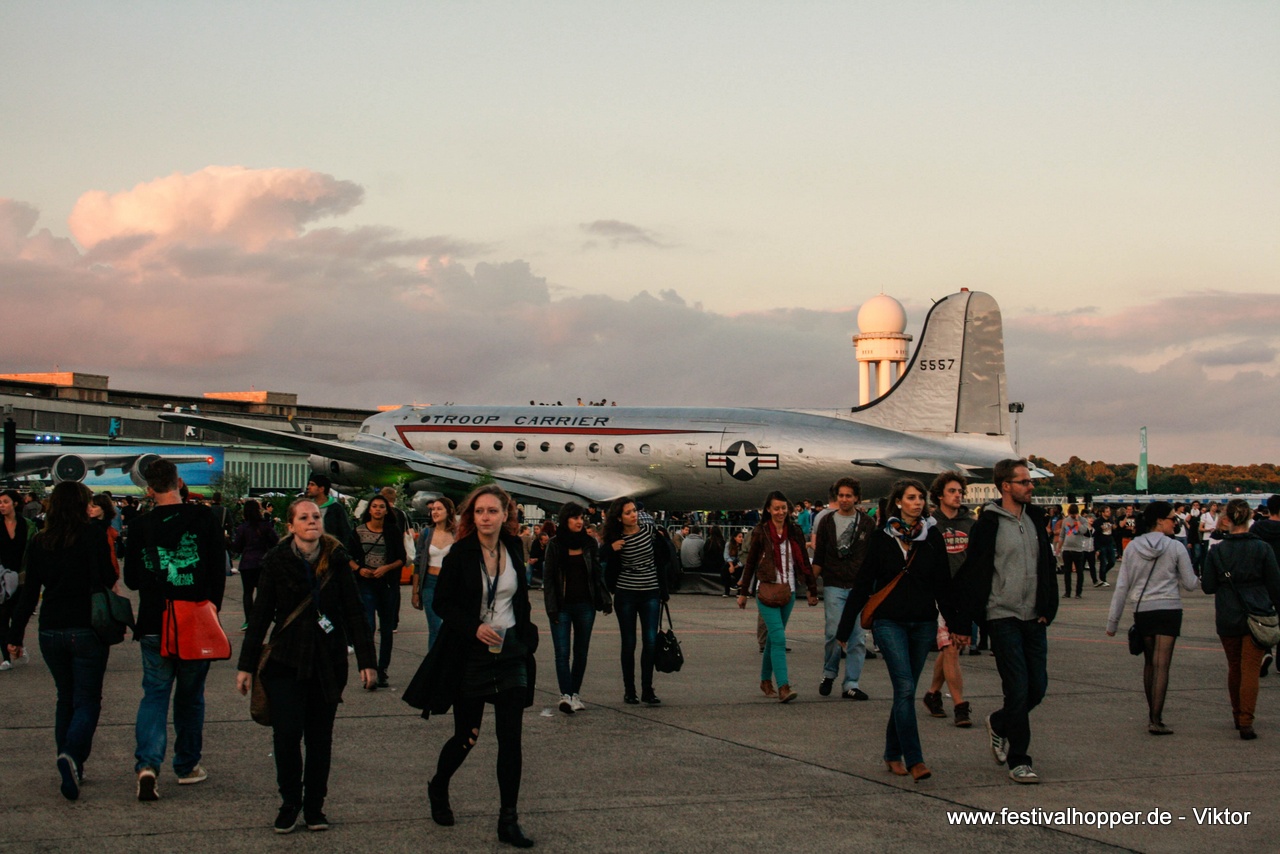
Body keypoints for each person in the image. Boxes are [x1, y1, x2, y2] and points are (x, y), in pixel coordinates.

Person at [403, 485, 538, 848]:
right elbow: (443, 603)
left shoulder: (514, 547)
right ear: (471, 516)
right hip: (471, 654)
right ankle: (438, 785)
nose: (486, 518)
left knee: (511, 740)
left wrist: (526, 637)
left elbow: (519, 597)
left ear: (505, 514)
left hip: (509, 653)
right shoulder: (460, 553)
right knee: (468, 736)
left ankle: (508, 820)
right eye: (479, 512)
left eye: (493, 511)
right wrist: (473, 627)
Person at [235, 499, 376, 832]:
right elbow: (259, 616)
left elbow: (354, 612)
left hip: (327, 661)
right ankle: (289, 802)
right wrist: (245, 665)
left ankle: (315, 806)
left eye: (316, 516)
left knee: (319, 738)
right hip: (285, 660)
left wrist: (367, 662)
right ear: (291, 526)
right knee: (286, 735)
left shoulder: (338, 560)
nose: (312, 521)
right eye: (304, 517)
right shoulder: (277, 561)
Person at [834, 480, 964, 781]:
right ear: (898, 502)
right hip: (889, 622)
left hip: (922, 623)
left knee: (905, 692)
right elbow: (864, 582)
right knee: (905, 688)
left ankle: (892, 753)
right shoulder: (881, 538)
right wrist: (844, 627)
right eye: (911, 498)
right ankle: (915, 759)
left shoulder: (931, 536)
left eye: (920, 498)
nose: (917, 503)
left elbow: (943, 584)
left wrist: (956, 624)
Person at [124, 459, 227, 802]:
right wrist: (212, 607)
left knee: (154, 694)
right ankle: (186, 766)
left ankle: (148, 764)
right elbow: (217, 571)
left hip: (155, 621)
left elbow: (132, 580)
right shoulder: (204, 519)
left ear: (149, 490)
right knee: (190, 697)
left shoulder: (140, 526)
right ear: (179, 482)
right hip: (195, 619)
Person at [6, 482, 116, 800]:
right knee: (88, 700)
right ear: (82, 504)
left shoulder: (41, 541)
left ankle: (70, 765)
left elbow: (29, 593)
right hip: (86, 627)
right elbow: (109, 578)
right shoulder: (93, 535)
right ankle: (71, 755)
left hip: (50, 629)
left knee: (64, 698)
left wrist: (15, 635)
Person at [953, 459, 1058, 784]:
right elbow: (974, 573)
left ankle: (999, 723)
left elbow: (1046, 565)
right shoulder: (988, 524)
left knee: (1037, 688)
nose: (1031, 486)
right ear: (1006, 486)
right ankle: (1020, 759)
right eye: (1024, 482)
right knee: (1017, 688)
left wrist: (1047, 607)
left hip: (1033, 617)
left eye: (1030, 481)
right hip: (1002, 615)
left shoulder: (1036, 519)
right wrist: (963, 622)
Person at [1103, 502, 1199, 734]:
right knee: (1162, 665)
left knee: (1149, 664)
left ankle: (1151, 714)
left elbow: (1122, 586)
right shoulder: (1175, 547)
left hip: (1143, 609)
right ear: (1159, 520)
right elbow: (1190, 583)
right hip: (1169, 608)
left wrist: (1112, 622)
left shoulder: (1133, 547)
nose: (1174, 522)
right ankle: (1156, 718)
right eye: (1171, 518)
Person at [1201, 499, 1280, 740]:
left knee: (1234, 666)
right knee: (1250, 669)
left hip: (1228, 612)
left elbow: (1208, 586)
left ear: (1226, 519)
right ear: (1249, 518)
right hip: (1256, 611)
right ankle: (1247, 720)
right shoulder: (1262, 548)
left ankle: (1237, 713)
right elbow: (1275, 586)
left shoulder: (1218, 550)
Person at [738, 491, 819, 705]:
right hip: (765, 590)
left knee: (774, 639)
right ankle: (784, 686)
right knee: (779, 638)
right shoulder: (761, 532)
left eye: (784, 508)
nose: (781, 512)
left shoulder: (794, 531)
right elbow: (751, 563)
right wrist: (743, 592)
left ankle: (765, 680)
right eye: (776, 508)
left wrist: (812, 588)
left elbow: (804, 560)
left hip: (789, 591)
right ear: (768, 510)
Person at [542, 502, 612, 714]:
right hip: (562, 606)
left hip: (585, 605)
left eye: (581, 517)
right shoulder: (554, 545)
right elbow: (549, 580)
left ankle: (575, 694)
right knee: (562, 652)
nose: (579, 521)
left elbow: (597, 574)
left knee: (581, 652)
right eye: (574, 518)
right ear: (565, 520)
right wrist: (551, 608)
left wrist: (604, 599)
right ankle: (565, 695)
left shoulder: (589, 543)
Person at [601, 496, 672, 706]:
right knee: (629, 642)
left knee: (650, 641)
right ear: (619, 517)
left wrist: (662, 541)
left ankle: (647, 689)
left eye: (634, 511)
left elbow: (665, 557)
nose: (633, 515)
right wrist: (611, 548)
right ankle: (629, 690)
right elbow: (599, 557)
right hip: (626, 593)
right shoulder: (615, 538)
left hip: (650, 591)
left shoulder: (650, 533)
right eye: (628, 512)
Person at [811, 477, 875, 701]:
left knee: (857, 637)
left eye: (849, 495)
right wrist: (811, 584)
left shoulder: (867, 523)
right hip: (834, 584)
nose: (845, 499)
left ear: (857, 497)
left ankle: (851, 683)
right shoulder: (827, 521)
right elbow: (819, 555)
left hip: (858, 587)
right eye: (841, 495)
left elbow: (872, 558)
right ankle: (829, 672)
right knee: (833, 632)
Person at [922, 471, 974, 725]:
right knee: (951, 648)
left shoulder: (970, 523)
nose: (957, 496)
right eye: (952, 491)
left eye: (960, 492)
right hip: (939, 594)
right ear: (940, 495)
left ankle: (932, 694)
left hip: (963, 594)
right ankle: (960, 705)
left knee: (950, 648)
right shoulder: (930, 524)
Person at [346, 494, 405, 689]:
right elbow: (347, 556)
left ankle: (382, 670)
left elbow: (401, 558)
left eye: (382, 507)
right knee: (369, 626)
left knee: (386, 629)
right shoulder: (359, 531)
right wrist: (359, 569)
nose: (378, 510)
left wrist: (386, 568)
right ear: (369, 510)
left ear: (387, 511)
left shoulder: (393, 531)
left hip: (386, 584)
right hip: (366, 583)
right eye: (374, 506)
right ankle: (369, 667)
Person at [1, 489, 39, 671]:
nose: (1, 505)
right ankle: (6, 656)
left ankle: (16, 644)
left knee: (18, 615)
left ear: (15, 504)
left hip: (23, 577)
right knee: (2, 617)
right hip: (1, 577)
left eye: (5, 502)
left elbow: (34, 550)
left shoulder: (28, 525)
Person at [412, 497, 456, 651]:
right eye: (433, 509)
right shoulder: (426, 533)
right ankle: (433, 667)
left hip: (451, 586)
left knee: (450, 627)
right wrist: (415, 592)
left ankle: (449, 663)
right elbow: (418, 563)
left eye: (439, 509)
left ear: (449, 511)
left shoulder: (457, 534)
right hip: (429, 584)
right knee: (435, 627)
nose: (434, 512)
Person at [232, 499, 279, 630]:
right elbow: (276, 542)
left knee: (247, 593)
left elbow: (236, 548)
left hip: (247, 563)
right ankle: (260, 618)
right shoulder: (265, 525)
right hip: (263, 562)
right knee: (262, 592)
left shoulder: (242, 528)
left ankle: (248, 620)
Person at [1056, 504, 1092, 599]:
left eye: (1074, 514)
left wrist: (1077, 520)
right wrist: (1059, 548)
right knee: (1067, 572)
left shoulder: (1083, 520)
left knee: (1079, 571)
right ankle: (1067, 592)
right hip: (1067, 549)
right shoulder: (1065, 520)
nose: (1072, 516)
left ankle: (1078, 592)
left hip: (1078, 549)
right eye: (1071, 515)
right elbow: (1062, 535)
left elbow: (1084, 531)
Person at [305, 475, 351, 543]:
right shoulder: (307, 507)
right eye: (309, 484)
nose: (308, 487)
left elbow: (345, 532)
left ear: (321, 489)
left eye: (312, 484)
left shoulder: (335, 509)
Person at [88, 493, 122, 579]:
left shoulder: (107, 528)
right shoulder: (91, 528)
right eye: (89, 506)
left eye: (94, 506)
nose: (90, 509)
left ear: (104, 508)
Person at [1094, 505, 1117, 587]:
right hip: (1101, 544)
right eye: (1107, 511)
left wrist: (1114, 528)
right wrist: (1097, 548)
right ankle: (1103, 579)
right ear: (1102, 513)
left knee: (1112, 562)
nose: (1109, 513)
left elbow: (1114, 532)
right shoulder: (1098, 521)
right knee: (1103, 562)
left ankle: (1103, 573)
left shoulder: (1111, 520)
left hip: (1109, 543)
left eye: (1109, 511)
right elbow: (1095, 534)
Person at [724, 529, 746, 597]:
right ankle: (726, 590)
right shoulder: (728, 544)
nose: (741, 539)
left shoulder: (743, 546)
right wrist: (731, 565)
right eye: (739, 537)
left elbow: (744, 558)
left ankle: (739, 590)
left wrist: (736, 566)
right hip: (731, 562)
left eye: (742, 537)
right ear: (734, 538)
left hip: (739, 563)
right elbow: (726, 556)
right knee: (725, 569)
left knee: (740, 569)